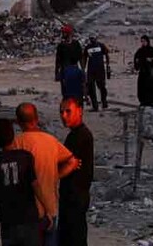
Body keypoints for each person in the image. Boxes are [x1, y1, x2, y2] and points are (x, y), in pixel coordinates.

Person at [12, 102, 80, 246]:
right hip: (50, 208)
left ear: (18, 122)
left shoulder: (16, 144)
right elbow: (72, 161)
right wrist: (56, 175)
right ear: (37, 119)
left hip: (26, 212)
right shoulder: (51, 141)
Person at [0, 119, 50, 246]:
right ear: (13, 135)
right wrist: (47, 209)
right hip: (29, 219)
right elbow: (35, 185)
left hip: (8, 221)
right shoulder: (26, 157)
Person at [58, 98, 94, 246]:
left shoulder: (81, 136)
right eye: (61, 112)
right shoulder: (74, 135)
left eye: (68, 111)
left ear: (80, 111)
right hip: (72, 196)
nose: (64, 116)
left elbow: (71, 163)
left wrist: (53, 176)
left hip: (75, 196)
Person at [133, 35, 153, 107]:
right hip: (143, 73)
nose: (143, 43)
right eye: (142, 41)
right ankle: (144, 102)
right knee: (142, 88)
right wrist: (138, 62)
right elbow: (136, 60)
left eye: (144, 41)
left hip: (152, 72)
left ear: (147, 41)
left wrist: (152, 59)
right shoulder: (140, 51)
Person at [55, 25, 84, 95]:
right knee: (65, 91)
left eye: (64, 33)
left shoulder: (76, 44)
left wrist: (83, 70)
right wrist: (57, 73)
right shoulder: (61, 46)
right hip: (64, 70)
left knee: (76, 90)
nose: (63, 34)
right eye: (63, 33)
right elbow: (58, 60)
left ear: (69, 34)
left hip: (74, 69)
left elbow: (81, 58)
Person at [84, 35, 110, 112]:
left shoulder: (101, 45)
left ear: (96, 38)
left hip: (100, 69)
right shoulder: (87, 47)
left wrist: (108, 65)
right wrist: (83, 69)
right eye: (91, 38)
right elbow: (84, 57)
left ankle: (104, 103)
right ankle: (95, 106)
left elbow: (107, 54)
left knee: (102, 87)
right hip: (91, 70)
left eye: (93, 38)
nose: (92, 40)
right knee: (91, 88)